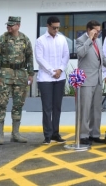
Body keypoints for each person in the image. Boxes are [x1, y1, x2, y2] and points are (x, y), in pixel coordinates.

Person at [0, 16, 35, 145]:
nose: (9, 27)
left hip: (20, 75)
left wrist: (31, 74)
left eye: (12, 25)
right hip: (4, 74)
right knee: (2, 104)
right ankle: (0, 134)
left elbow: (29, 56)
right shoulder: (2, 39)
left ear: (18, 26)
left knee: (18, 105)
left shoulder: (25, 39)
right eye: (8, 25)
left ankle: (15, 133)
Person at [76, 20, 106, 145]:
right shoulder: (81, 40)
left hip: (98, 79)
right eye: (96, 31)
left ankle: (94, 134)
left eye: (99, 31)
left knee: (96, 109)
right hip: (86, 80)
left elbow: (102, 58)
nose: (98, 33)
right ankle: (83, 135)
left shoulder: (98, 41)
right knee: (85, 109)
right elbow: (80, 53)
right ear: (89, 29)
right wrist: (89, 39)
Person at [35, 16, 70, 145]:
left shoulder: (62, 39)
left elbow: (66, 55)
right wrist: (51, 71)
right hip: (45, 79)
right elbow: (39, 58)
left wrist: (60, 69)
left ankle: (56, 133)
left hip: (59, 78)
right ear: (48, 26)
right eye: (54, 28)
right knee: (47, 108)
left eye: (58, 28)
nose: (56, 30)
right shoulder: (40, 40)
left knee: (57, 107)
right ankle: (47, 135)